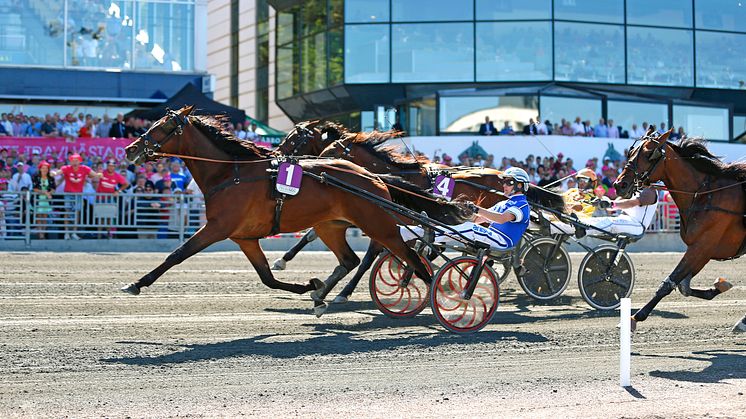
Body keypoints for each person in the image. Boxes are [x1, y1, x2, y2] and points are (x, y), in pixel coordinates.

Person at [399, 167, 531, 251]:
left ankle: (429, 236)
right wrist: (460, 215)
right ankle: (410, 232)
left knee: (470, 228)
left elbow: (501, 219)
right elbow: (481, 218)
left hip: (503, 241)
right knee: (462, 225)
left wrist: (476, 209)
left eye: (509, 182)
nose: (504, 185)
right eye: (504, 182)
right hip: (493, 237)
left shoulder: (521, 205)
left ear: (520, 185)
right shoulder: (505, 203)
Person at [54, 154, 102, 240]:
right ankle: (66, 233)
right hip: (68, 193)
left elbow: (94, 174)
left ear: (80, 161)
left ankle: (74, 233)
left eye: (76, 160)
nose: (75, 162)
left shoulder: (84, 168)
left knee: (77, 213)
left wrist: (98, 175)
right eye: (73, 160)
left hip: (79, 194)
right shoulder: (67, 168)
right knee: (67, 212)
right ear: (70, 161)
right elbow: (59, 172)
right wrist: (54, 173)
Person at [32, 161, 56, 239]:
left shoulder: (51, 178)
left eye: (46, 168)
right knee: (38, 217)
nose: (44, 170)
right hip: (38, 199)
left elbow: (53, 188)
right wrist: (44, 192)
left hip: (46, 200)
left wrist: (49, 193)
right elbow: (34, 189)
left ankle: (43, 233)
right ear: (40, 169)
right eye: (43, 168)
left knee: (44, 217)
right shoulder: (36, 177)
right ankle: (40, 233)